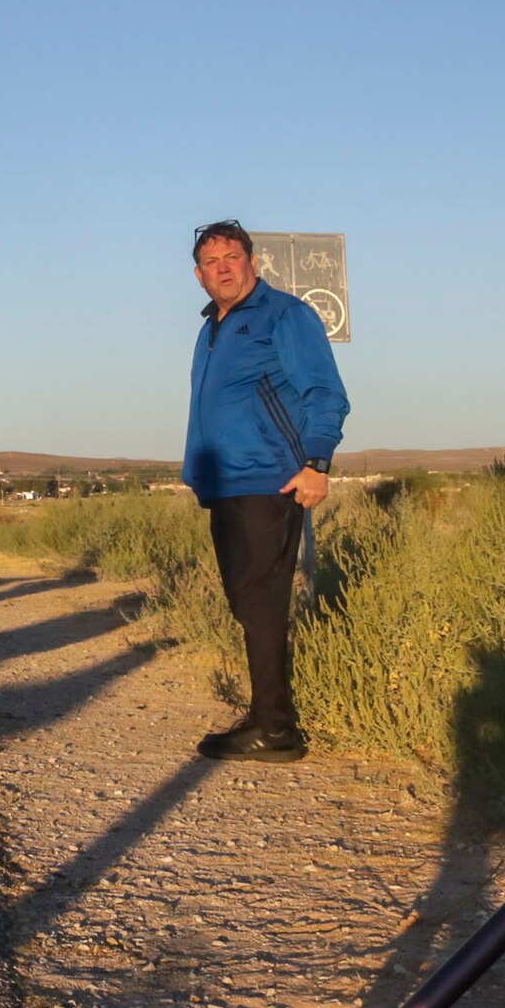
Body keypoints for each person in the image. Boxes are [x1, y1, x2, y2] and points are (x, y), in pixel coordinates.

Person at [183, 220, 350, 763]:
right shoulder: (212, 328)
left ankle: (276, 730)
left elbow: (325, 392)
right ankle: (265, 718)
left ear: (253, 261)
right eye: (212, 262)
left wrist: (316, 463)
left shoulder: (285, 315)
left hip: (268, 478)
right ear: (198, 274)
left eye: (232, 256)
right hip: (228, 485)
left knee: (260, 603)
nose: (223, 268)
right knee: (249, 604)